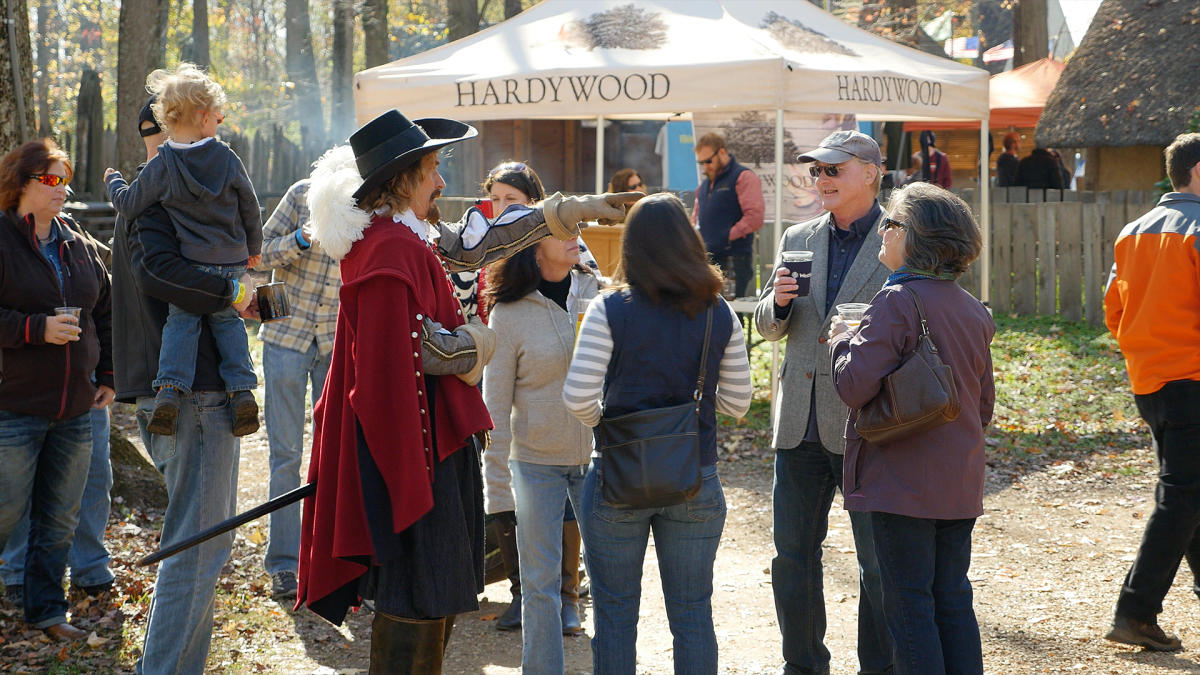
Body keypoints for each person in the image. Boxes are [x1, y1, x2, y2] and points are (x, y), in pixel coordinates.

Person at [295, 109, 637, 673]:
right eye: (432, 168)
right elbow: (407, 347)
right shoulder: (389, 246)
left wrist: (566, 211)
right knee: (417, 586)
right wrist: (477, 343)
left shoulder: (410, 234)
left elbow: (481, 244)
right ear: (403, 179)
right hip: (409, 444)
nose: (441, 180)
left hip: (426, 434)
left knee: (431, 585)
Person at [563, 193, 752, 674]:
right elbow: (736, 403)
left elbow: (579, 397)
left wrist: (615, 427)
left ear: (633, 247)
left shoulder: (609, 309)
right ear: (690, 243)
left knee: (615, 615)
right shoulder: (719, 312)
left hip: (617, 479)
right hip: (694, 475)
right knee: (692, 615)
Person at [111, 96, 259, 673]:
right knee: (196, 550)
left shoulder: (167, 187)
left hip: (192, 391)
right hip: (190, 393)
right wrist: (232, 294)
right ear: (164, 130)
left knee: (206, 545)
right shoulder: (156, 197)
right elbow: (158, 273)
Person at [829, 181, 995, 674]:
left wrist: (842, 340)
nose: (883, 231)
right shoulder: (971, 307)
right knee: (952, 601)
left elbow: (854, 386)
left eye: (893, 223)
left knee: (909, 609)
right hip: (959, 479)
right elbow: (982, 406)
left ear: (917, 238)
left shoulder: (896, 301)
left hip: (901, 482)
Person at [753, 129, 893, 675]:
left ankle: (877, 668)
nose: (822, 179)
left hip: (868, 424)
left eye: (834, 169)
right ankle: (803, 665)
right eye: (816, 170)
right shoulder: (797, 235)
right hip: (798, 424)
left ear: (871, 173)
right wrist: (777, 305)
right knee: (791, 559)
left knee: (877, 567)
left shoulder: (900, 236)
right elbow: (767, 324)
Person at [104, 62, 262, 438]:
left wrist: (113, 183)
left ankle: (170, 392)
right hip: (229, 262)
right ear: (204, 116)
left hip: (194, 262)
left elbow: (129, 204)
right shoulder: (227, 157)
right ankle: (242, 392)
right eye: (219, 115)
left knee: (181, 326)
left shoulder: (163, 166)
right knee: (228, 324)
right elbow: (250, 205)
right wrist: (253, 250)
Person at [476, 160, 597, 634]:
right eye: (563, 230)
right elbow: (495, 403)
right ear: (535, 242)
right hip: (535, 451)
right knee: (536, 517)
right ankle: (530, 594)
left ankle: (569, 594)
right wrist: (498, 473)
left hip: (589, 448)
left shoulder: (594, 292)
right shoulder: (507, 313)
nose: (576, 236)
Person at [0, 139, 113, 642]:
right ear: (22, 182)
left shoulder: (77, 243)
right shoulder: (2, 240)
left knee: (60, 521)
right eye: (51, 179)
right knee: (5, 513)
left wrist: (108, 375)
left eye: (65, 179)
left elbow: (105, 312)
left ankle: (46, 614)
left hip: (75, 409)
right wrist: (34, 330)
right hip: (13, 407)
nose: (62, 189)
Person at [1101, 132, 1200, 652]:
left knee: (1189, 493)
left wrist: (1145, 352)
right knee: (1181, 495)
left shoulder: (1133, 230)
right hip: (1194, 378)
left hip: (1151, 379)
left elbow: (1113, 310)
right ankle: (1135, 612)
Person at [255, 176, 340, 600]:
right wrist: (302, 237)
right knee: (285, 457)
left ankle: (325, 563)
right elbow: (259, 255)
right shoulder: (303, 191)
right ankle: (284, 566)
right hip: (283, 334)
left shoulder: (373, 207)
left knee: (332, 459)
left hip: (336, 343)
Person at [692, 132, 765, 298]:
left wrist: (725, 237)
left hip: (734, 257)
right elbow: (695, 219)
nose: (705, 166)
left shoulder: (743, 177)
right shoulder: (704, 186)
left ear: (722, 152)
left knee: (730, 312)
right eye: (701, 162)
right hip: (708, 258)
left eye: (708, 161)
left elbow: (755, 218)